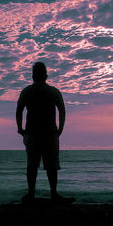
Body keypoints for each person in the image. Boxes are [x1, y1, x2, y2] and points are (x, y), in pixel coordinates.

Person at [16, 62, 75, 204]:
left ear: (32, 76)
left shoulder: (26, 91)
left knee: (32, 165)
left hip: (32, 133)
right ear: (46, 76)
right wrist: (60, 128)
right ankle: (53, 194)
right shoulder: (53, 91)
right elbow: (62, 110)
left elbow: (19, 111)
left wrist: (20, 129)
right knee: (51, 166)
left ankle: (31, 194)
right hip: (50, 134)